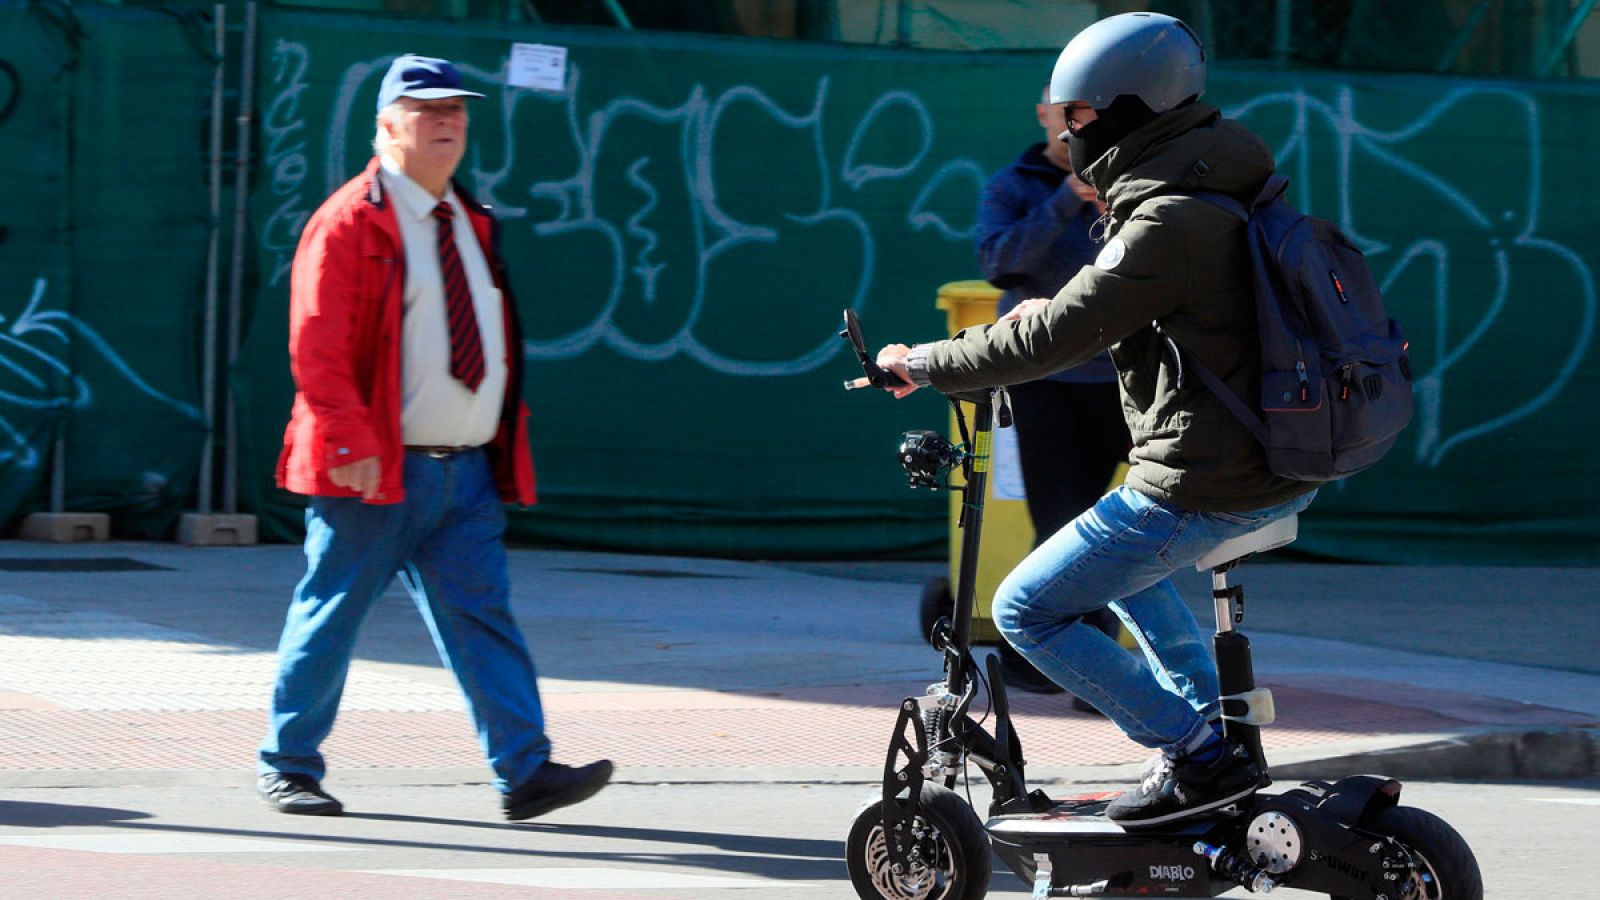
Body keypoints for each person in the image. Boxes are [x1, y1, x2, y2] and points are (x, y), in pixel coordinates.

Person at [871, 13, 1317, 828]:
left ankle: (1196, 755)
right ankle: (1214, 742)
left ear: (1126, 112)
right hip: (1270, 465)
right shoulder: (1229, 187)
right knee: (1124, 573)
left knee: (1025, 610)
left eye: (1077, 116)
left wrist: (925, 362)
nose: (1068, 133)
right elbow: (1179, 318)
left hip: (1202, 478)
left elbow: (1049, 338)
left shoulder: (1166, 217)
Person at [258, 54, 611, 821]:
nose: (445, 122)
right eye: (426, 111)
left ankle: (525, 771)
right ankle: (288, 764)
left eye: (455, 110)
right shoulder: (351, 220)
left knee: (484, 619)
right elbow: (315, 345)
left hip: (466, 474)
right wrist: (350, 445)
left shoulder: (469, 220)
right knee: (330, 614)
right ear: (387, 127)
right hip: (375, 471)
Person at [976, 87, 1132, 701]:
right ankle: (1076, 664)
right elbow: (999, 261)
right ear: (1043, 116)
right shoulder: (1014, 185)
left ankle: (1106, 665)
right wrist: (1067, 200)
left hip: (1126, 383)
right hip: (1046, 386)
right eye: (1059, 114)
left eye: (1082, 117)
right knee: (1064, 527)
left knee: (1140, 526)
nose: (1071, 129)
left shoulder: (1129, 182)